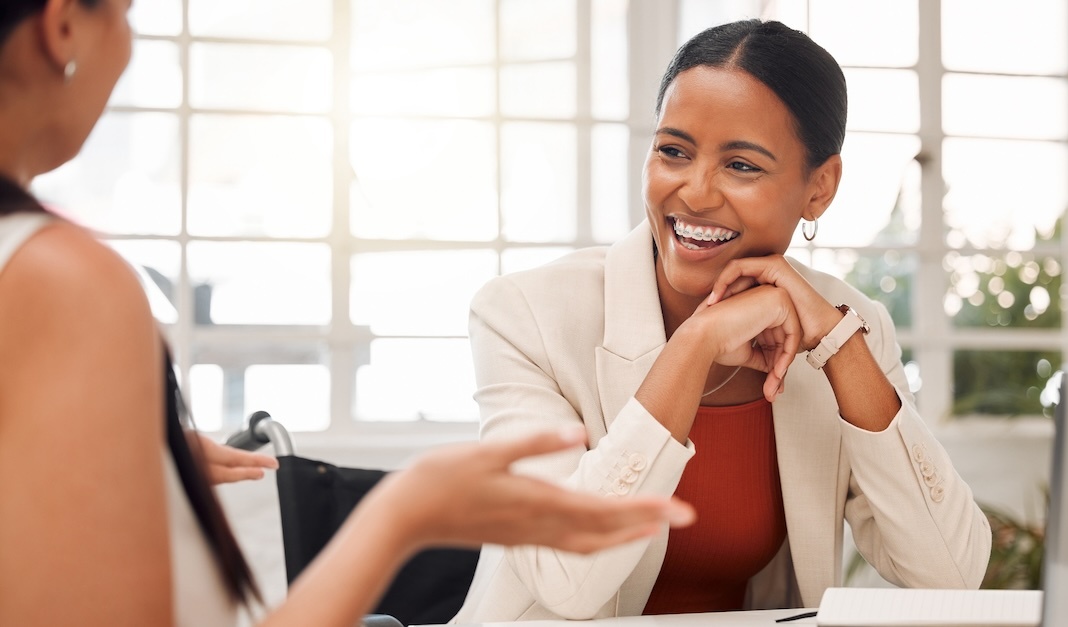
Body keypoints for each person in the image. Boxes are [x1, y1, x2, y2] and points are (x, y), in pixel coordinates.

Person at [0, 2, 695, 626]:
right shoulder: (64, 283)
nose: (128, 47)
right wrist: (404, 512)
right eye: (124, 14)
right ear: (62, 25)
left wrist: (132, 457)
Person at [453, 19, 993, 622]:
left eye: (741, 165)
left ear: (820, 187)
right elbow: (566, 578)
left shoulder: (848, 326)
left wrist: (841, 348)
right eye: (673, 151)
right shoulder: (524, 315)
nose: (696, 192)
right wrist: (695, 345)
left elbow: (948, 572)